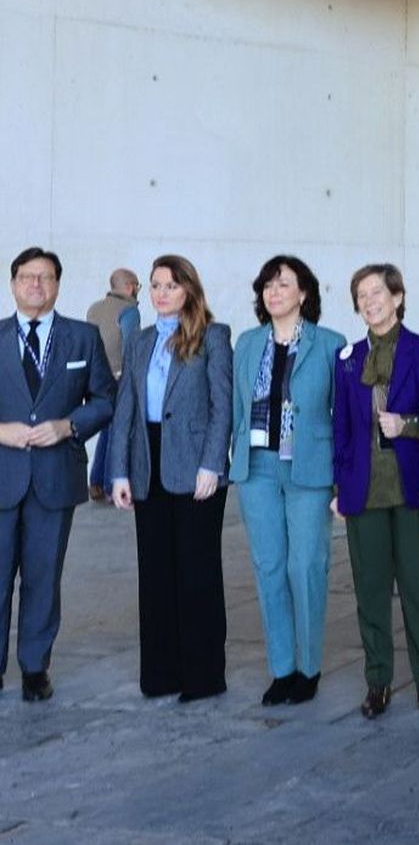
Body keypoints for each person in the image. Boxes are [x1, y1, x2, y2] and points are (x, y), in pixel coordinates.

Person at [107, 255, 232, 702]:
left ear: (189, 291)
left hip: (196, 464)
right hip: (148, 460)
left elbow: (222, 406)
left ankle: (202, 677)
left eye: (170, 286)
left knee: (196, 574)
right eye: (156, 285)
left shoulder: (213, 336)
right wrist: (117, 469)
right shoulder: (140, 340)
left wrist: (212, 465)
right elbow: (126, 408)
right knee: (155, 573)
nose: (160, 293)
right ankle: (160, 675)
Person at [0, 247, 116, 701]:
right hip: (3, 473)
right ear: (13, 284)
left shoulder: (83, 338)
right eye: (27, 277)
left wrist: (69, 426)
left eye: (45, 277)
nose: (35, 284)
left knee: (43, 577)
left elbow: (106, 399)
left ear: (57, 285)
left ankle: (34, 668)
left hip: (55, 476)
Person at [231, 255, 346, 706]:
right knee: (269, 567)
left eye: (284, 284)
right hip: (257, 467)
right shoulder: (247, 343)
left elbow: (343, 415)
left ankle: (309, 666)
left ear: (304, 293)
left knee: (307, 566)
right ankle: (282, 668)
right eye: (268, 285)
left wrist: (342, 477)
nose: (274, 292)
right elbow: (240, 407)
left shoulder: (331, 344)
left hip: (309, 467)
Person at [332, 264, 419, 719]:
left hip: (413, 489)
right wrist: (339, 488)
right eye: (361, 295)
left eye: (377, 291)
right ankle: (377, 682)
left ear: (397, 297)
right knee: (371, 592)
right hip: (364, 494)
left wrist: (409, 426)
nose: (369, 301)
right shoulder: (348, 359)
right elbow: (341, 427)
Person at [86, 268, 141, 501]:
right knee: (118, 430)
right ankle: (110, 485)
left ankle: (96, 481)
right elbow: (132, 347)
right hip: (119, 378)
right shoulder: (129, 311)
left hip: (94, 379)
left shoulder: (94, 308)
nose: (138, 291)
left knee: (106, 430)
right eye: (138, 286)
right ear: (129, 286)